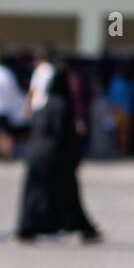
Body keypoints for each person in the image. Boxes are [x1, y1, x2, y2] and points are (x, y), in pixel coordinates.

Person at [15, 67, 101, 243]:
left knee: (34, 194)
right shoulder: (62, 104)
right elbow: (63, 133)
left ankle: (27, 229)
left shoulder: (45, 105)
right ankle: (83, 228)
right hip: (55, 156)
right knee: (69, 193)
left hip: (37, 155)